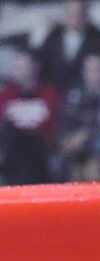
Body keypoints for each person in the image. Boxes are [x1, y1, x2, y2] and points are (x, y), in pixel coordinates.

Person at [0, 46, 60, 186]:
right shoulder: (6, 94)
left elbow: (50, 126)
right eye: (16, 66)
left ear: (35, 67)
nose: (18, 70)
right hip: (13, 151)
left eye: (22, 66)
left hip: (42, 149)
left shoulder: (49, 94)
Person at [57, 52, 100, 182]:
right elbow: (65, 122)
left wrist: (86, 135)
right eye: (89, 69)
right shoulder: (73, 95)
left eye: (97, 69)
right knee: (60, 157)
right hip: (75, 145)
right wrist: (69, 139)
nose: (93, 73)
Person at [36, 0, 100, 90]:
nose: (75, 18)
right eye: (70, 14)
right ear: (64, 14)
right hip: (55, 91)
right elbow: (42, 65)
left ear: (87, 15)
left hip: (87, 94)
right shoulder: (53, 35)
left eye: (79, 14)